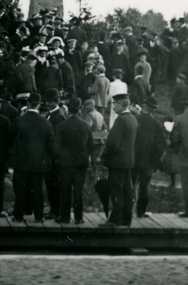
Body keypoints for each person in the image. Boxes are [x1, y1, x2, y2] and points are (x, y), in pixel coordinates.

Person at [11, 92, 52, 222]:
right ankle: (39, 216)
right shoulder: (45, 123)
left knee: (21, 189)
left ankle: (18, 215)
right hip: (39, 162)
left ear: (28, 104)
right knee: (37, 189)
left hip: (21, 161)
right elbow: (50, 143)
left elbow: (10, 137)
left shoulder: (19, 120)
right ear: (39, 105)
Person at [53, 96, 92, 224]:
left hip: (66, 163)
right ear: (80, 109)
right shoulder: (86, 125)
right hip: (81, 163)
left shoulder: (62, 125)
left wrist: (60, 159)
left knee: (65, 190)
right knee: (78, 191)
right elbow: (90, 146)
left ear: (68, 109)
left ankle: (65, 217)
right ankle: (79, 218)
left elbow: (57, 147)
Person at [100, 94, 137, 228]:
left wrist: (103, 157)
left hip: (117, 162)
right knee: (127, 191)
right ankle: (126, 219)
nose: (113, 106)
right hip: (128, 161)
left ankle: (115, 220)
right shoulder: (132, 118)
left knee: (116, 191)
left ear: (121, 104)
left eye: (115, 104)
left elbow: (112, 143)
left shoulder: (120, 120)